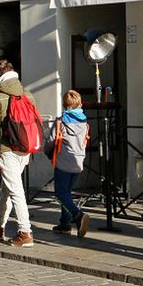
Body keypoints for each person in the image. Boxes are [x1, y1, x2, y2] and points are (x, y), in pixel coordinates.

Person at [0, 59, 35, 247]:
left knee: (16, 191)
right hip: (25, 149)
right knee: (8, 187)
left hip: (7, 151)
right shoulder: (27, 94)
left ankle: (25, 231)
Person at [49, 89, 91, 237]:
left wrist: (47, 152)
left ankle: (78, 215)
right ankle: (65, 223)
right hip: (78, 162)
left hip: (64, 162)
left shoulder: (61, 121)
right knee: (66, 192)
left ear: (65, 105)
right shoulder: (84, 122)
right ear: (79, 103)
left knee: (60, 193)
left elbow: (50, 141)